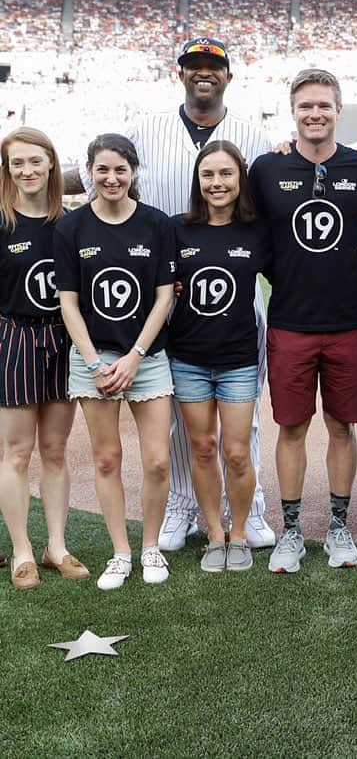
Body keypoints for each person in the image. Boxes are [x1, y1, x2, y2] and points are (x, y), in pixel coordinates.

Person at [64, 36, 275, 552]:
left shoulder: (255, 134)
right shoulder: (145, 127)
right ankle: (183, 506)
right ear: (180, 73)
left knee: (239, 417)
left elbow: (276, 202)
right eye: (194, 66)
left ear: (229, 76)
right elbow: (100, 175)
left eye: (214, 67)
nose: (204, 74)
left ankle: (246, 508)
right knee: (184, 420)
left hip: (237, 293)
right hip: (161, 289)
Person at [249, 69, 357, 573]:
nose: (315, 114)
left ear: (339, 109)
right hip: (290, 322)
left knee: (343, 426)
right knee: (292, 427)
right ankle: (291, 532)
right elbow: (248, 230)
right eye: (306, 106)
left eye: (323, 105)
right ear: (293, 111)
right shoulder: (266, 168)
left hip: (349, 321)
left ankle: (340, 528)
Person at [55, 134, 176, 590]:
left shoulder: (156, 224)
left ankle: (150, 548)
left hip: (146, 357)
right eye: (102, 169)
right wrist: (93, 361)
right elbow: (69, 303)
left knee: (158, 461)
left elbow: (164, 297)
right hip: (93, 360)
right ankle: (120, 553)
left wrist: (135, 356)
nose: (111, 178)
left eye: (120, 170)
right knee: (106, 460)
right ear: (88, 171)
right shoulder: (71, 228)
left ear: (134, 172)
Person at [168, 140, 271, 573]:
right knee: (203, 448)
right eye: (208, 174)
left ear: (240, 178)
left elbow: (296, 270)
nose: (217, 183)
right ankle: (213, 533)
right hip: (188, 358)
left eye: (226, 173)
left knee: (237, 452)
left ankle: (241, 532)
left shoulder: (257, 230)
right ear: (197, 180)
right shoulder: (176, 229)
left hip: (238, 361)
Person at [0, 128, 87, 590]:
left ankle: (57, 546)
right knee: (16, 452)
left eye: (35, 161)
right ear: (7, 170)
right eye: (17, 164)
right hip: (15, 340)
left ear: (52, 163)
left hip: (62, 341)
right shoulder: (2, 222)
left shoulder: (69, 224)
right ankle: (22, 551)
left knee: (55, 450)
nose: (27, 171)